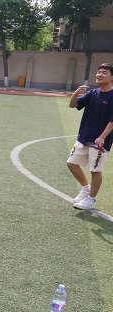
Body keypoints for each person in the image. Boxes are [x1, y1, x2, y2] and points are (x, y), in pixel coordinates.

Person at [67, 63, 113, 210]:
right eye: (98, 72)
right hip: (83, 138)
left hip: (99, 142)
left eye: (104, 72)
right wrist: (76, 93)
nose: (99, 75)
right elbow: (72, 105)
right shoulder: (93, 93)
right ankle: (86, 188)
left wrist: (102, 137)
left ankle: (91, 200)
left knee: (95, 170)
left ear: (112, 77)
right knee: (71, 163)